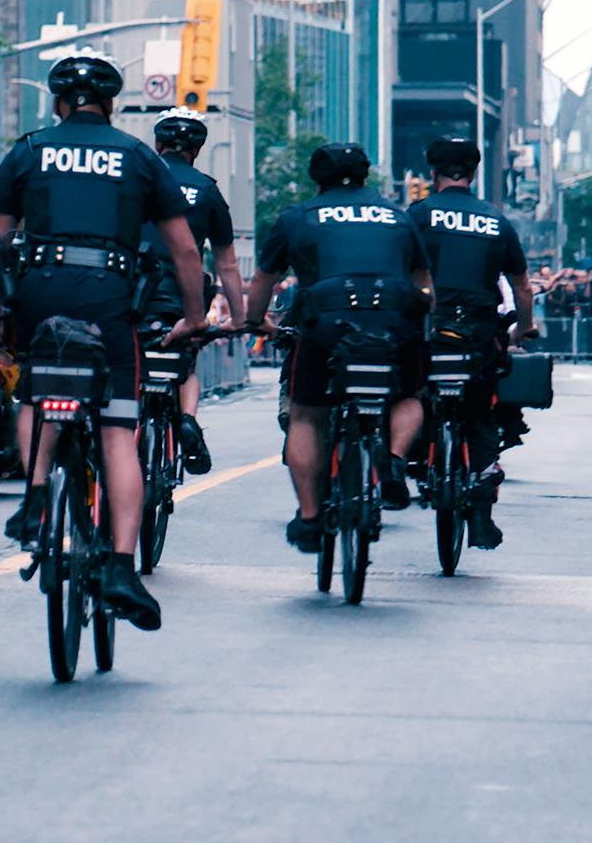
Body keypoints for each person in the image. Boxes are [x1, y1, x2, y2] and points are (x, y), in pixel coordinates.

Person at [0, 48, 205, 632]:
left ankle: (34, 499)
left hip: (41, 291)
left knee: (36, 395)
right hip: (109, 298)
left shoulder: (27, 150)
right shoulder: (137, 156)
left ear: (57, 103)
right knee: (116, 434)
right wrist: (194, 317)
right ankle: (123, 567)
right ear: (111, 105)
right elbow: (183, 249)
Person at [243, 142, 433, 554]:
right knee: (407, 393)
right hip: (393, 318)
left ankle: (310, 518)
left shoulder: (297, 218)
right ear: (366, 175)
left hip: (325, 321)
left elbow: (263, 281)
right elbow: (422, 280)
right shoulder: (398, 215)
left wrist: (257, 321)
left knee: (307, 415)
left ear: (317, 178)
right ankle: (395, 460)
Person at [406, 137, 531, 551]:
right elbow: (521, 287)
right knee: (480, 413)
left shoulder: (417, 216)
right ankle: (481, 509)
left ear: (432, 173)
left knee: (412, 393)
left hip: (429, 330)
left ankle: (408, 456)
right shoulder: (496, 221)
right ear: (474, 173)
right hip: (479, 332)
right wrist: (523, 329)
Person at [139, 106, 243, 475]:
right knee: (187, 358)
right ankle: (187, 418)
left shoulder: (136, 178)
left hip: (132, 291)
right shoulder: (208, 191)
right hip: (181, 297)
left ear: (158, 143)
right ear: (196, 151)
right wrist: (240, 321)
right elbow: (227, 264)